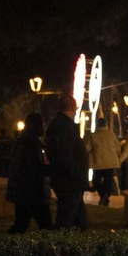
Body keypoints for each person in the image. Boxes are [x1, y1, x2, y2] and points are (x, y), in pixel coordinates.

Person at [46, 96, 90, 229]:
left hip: (70, 180)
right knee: (66, 220)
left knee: (78, 221)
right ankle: (58, 247)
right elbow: (65, 156)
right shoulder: (64, 126)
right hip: (69, 181)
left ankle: (79, 246)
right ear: (71, 107)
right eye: (76, 106)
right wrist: (77, 174)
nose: (77, 109)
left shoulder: (60, 125)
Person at [5, 113, 51, 233]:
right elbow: (34, 169)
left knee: (21, 224)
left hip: (23, 192)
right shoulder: (30, 144)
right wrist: (51, 169)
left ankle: (4, 248)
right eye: (42, 124)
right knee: (46, 226)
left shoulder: (23, 141)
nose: (44, 126)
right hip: (31, 193)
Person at [86, 119, 121, 206]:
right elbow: (117, 148)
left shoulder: (93, 135)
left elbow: (86, 148)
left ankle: (103, 196)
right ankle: (106, 196)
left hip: (97, 162)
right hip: (110, 162)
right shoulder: (111, 135)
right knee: (108, 181)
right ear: (106, 125)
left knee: (96, 181)